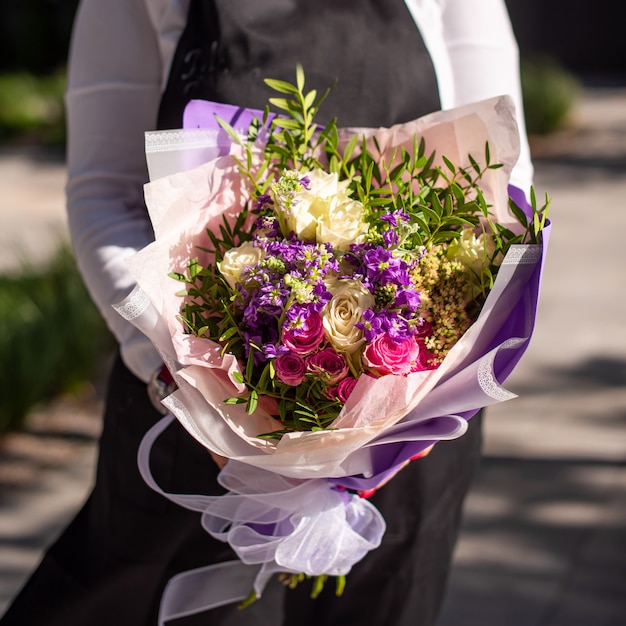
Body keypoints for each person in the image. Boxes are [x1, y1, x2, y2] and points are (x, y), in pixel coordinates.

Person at [0, 1, 533, 624]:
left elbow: (500, 178)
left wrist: (428, 389)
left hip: (409, 422)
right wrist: (179, 368)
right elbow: (104, 191)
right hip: (189, 403)